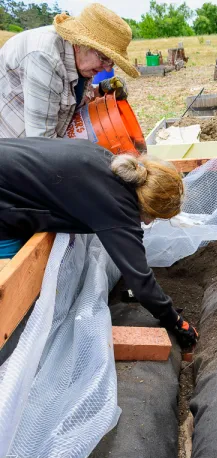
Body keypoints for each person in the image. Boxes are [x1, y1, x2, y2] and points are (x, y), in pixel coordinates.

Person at [0, 137, 198, 348]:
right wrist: (176, 322)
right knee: (12, 290)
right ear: (148, 206)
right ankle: (13, 349)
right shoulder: (118, 206)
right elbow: (141, 282)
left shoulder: (108, 162)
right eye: (155, 217)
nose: (149, 223)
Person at [0, 3, 138, 139]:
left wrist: (101, 90)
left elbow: (68, 97)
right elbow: (41, 142)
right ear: (80, 43)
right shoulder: (45, 58)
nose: (108, 68)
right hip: (13, 148)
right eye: (103, 58)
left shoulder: (80, 60)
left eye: (112, 62)